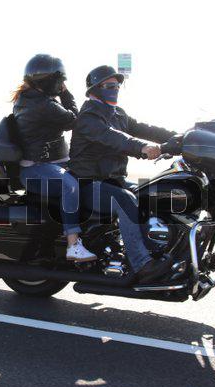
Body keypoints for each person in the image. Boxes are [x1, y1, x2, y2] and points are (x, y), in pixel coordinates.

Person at [69, 65, 177, 284]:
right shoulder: (88, 116)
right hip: (87, 183)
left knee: (150, 193)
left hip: (113, 180)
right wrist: (143, 147)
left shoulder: (117, 113)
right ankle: (141, 264)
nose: (115, 89)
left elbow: (144, 128)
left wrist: (179, 136)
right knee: (124, 199)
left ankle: (155, 250)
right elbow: (113, 137)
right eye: (110, 86)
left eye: (118, 86)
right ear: (95, 89)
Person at [13, 54, 97, 262]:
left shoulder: (31, 98)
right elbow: (74, 119)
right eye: (60, 81)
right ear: (49, 81)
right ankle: (73, 244)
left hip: (49, 164)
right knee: (70, 186)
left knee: (92, 173)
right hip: (36, 168)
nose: (62, 85)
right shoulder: (42, 105)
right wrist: (66, 94)